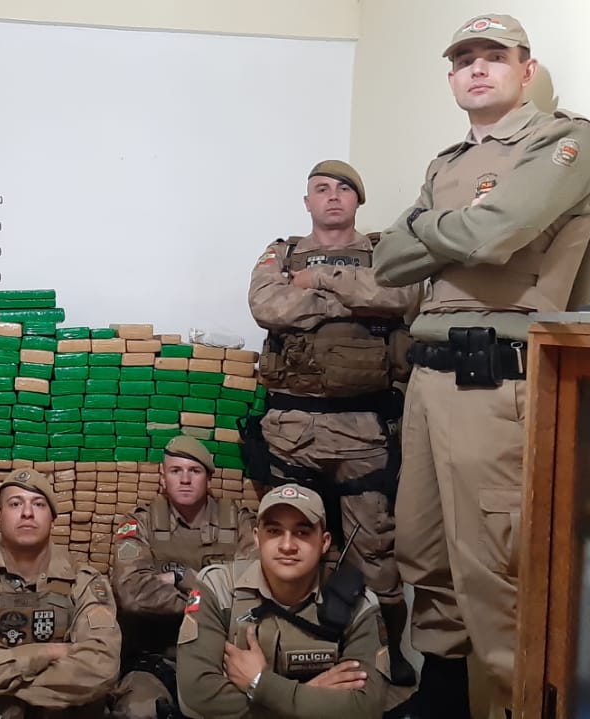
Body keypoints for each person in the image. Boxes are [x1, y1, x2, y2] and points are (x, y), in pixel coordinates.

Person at [372, 14, 590, 718]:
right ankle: (441, 697)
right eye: (464, 59)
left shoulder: (563, 142)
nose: (477, 68)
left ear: (526, 71)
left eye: (494, 56)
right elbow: (387, 260)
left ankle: (517, 701)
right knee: (426, 554)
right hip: (428, 376)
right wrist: (458, 230)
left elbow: (497, 234)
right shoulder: (446, 164)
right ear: (451, 78)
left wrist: (429, 229)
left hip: (494, 380)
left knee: (497, 570)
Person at [247, 160, 420, 688]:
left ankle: (384, 655)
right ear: (307, 202)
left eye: (344, 188)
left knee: (375, 550)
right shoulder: (281, 253)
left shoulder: (383, 251)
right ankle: (286, 647)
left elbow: (400, 297)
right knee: (288, 541)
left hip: (364, 428)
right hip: (291, 428)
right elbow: (267, 305)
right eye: (321, 189)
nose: (332, 196)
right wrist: (353, 300)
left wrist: (319, 283)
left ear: (357, 201)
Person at [177, 484, 387, 719]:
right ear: (257, 538)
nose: (287, 546)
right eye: (274, 531)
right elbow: (198, 693)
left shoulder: (356, 603)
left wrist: (260, 684)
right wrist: (309, 695)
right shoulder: (219, 588)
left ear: (324, 542)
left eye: (302, 533)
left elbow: (366, 707)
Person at [0, 468, 121, 718]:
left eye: (39, 504)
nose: (27, 513)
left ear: (53, 518)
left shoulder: (85, 582)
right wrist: (50, 652)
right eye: (15, 504)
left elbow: (102, 669)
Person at [110, 435, 256, 718]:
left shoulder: (239, 522)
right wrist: (210, 599)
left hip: (221, 658)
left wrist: (181, 577)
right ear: (162, 478)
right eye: (176, 471)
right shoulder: (140, 523)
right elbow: (133, 594)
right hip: (158, 657)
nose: (185, 479)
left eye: (195, 471)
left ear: (209, 479)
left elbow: (250, 590)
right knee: (139, 711)